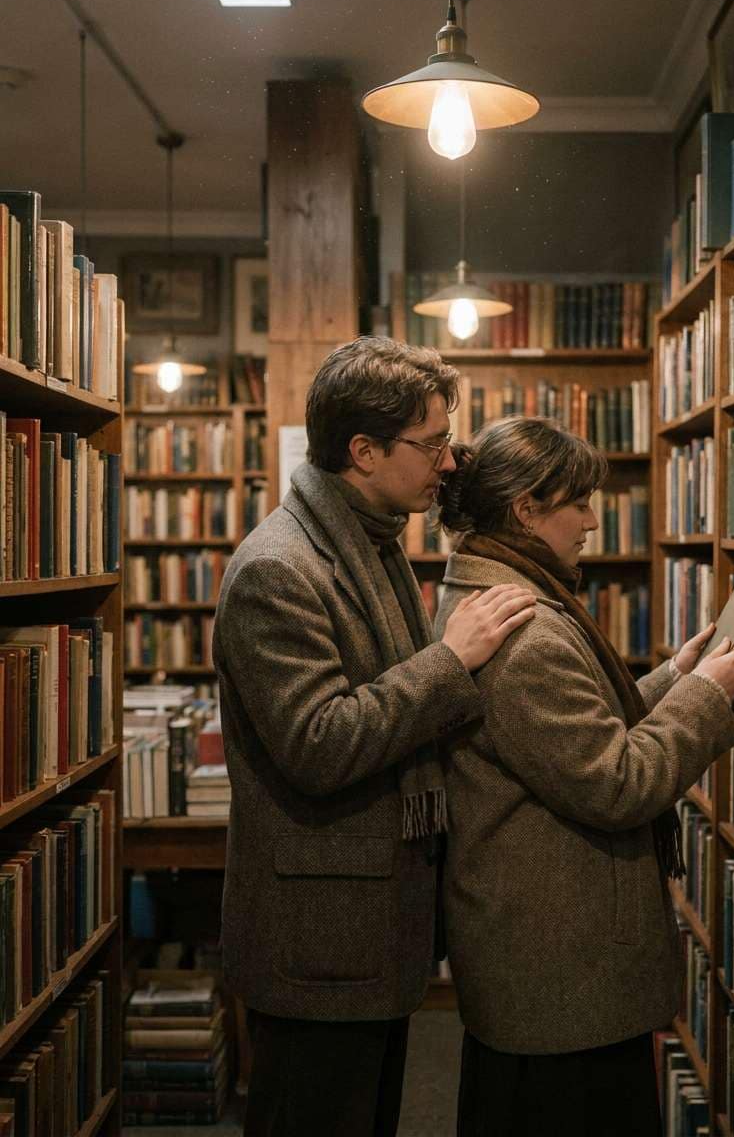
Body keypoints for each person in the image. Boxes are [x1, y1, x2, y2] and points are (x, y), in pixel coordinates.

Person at [212, 337, 536, 1137]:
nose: (451, 465)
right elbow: (318, 742)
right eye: (432, 444)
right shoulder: (280, 569)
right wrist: (451, 661)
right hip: (319, 941)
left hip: (367, 929)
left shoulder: (373, 541)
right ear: (363, 450)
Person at [433, 416, 734, 1136]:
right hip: (557, 967)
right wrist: (707, 696)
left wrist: (676, 676)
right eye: (578, 501)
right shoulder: (524, 629)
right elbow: (616, 782)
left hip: (545, 953)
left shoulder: (509, 590)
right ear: (527, 510)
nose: (591, 518)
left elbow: (575, 735)